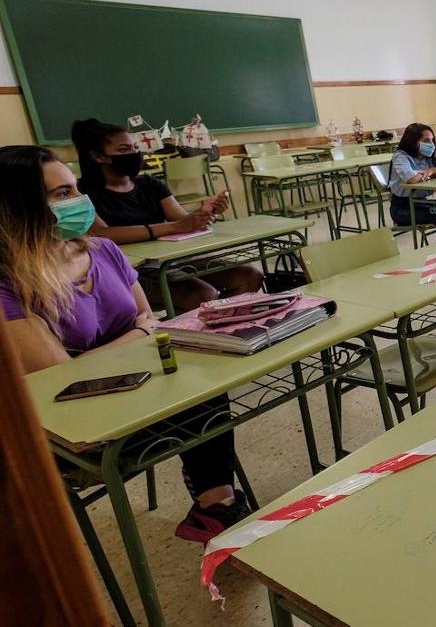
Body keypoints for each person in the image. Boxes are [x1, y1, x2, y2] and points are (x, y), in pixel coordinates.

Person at [0, 145, 249, 542]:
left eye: (75, 189)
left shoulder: (103, 251)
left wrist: (138, 332)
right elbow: (61, 375)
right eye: (62, 194)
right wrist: (137, 334)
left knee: (205, 389)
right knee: (196, 401)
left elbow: (148, 317)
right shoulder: (9, 285)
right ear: (18, 206)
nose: (79, 201)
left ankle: (215, 507)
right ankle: (217, 506)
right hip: (77, 421)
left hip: (138, 382)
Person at [71, 118, 262, 313]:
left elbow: (181, 219)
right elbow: (104, 234)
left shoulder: (149, 184)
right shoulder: (82, 193)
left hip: (170, 260)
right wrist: (175, 226)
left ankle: (230, 326)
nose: (134, 153)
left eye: (135, 147)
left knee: (249, 276)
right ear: (98, 156)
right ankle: (204, 332)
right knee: (203, 295)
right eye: (123, 150)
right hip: (130, 271)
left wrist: (203, 213)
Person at [388, 122, 436, 241]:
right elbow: (412, 179)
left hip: (421, 203)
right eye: (426, 140)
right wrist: (434, 172)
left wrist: (433, 170)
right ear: (413, 141)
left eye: (432, 140)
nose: (431, 144)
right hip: (403, 208)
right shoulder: (401, 156)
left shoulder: (430, 157)